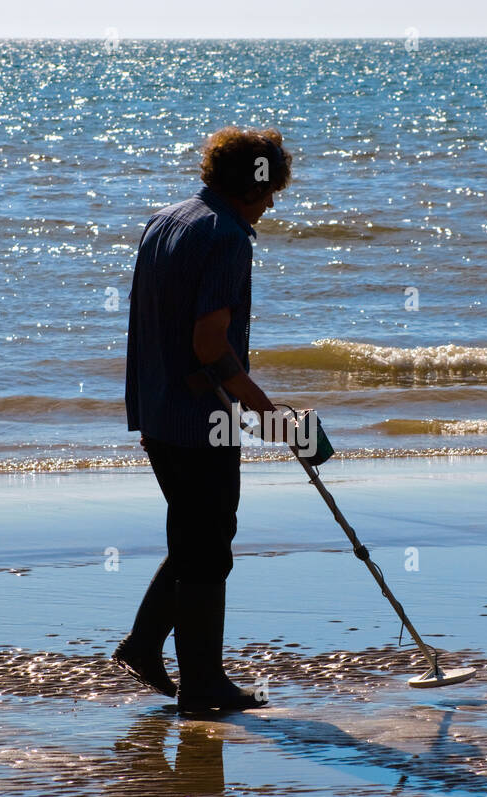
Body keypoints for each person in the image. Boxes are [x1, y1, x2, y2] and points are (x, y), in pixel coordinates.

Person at [114, 126, 293, 714]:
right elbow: (211, 344)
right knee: (209, 547)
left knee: (195, 537)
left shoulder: (167, 219)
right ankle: (202, 684)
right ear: (254, 184)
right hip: (198, 417)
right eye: (271, 191)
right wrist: (266, 413)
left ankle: (144, 646)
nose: (272, 203)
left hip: (157, 409)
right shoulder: (227, 237)